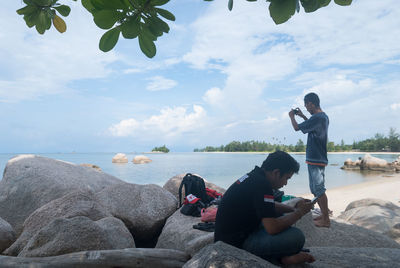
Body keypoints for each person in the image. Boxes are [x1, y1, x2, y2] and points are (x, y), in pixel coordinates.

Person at [214, 151, 315, 265]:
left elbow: (267, 206)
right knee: (296, 237)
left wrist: (294, 209)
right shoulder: (262, 184)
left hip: (231, 237)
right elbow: (272, 228)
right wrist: (300, 213)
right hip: (236, 246)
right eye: (287, 178)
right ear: (276, 173)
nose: (286, 183)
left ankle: (281, 256)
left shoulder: (254, 177)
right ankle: (283, 259)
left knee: (282, 217)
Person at [289, 92, 330, 228]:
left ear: (311, 103)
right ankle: (324, 215)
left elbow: (296, 128)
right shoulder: (321, 117)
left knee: (318, 189)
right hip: (316, 158)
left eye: (306, 105)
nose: (306, 108)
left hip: (316, 158)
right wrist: (301, 116)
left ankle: (326, 219)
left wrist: (292, 117)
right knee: (315, 188)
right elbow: (310, 125)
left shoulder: (318, 117)